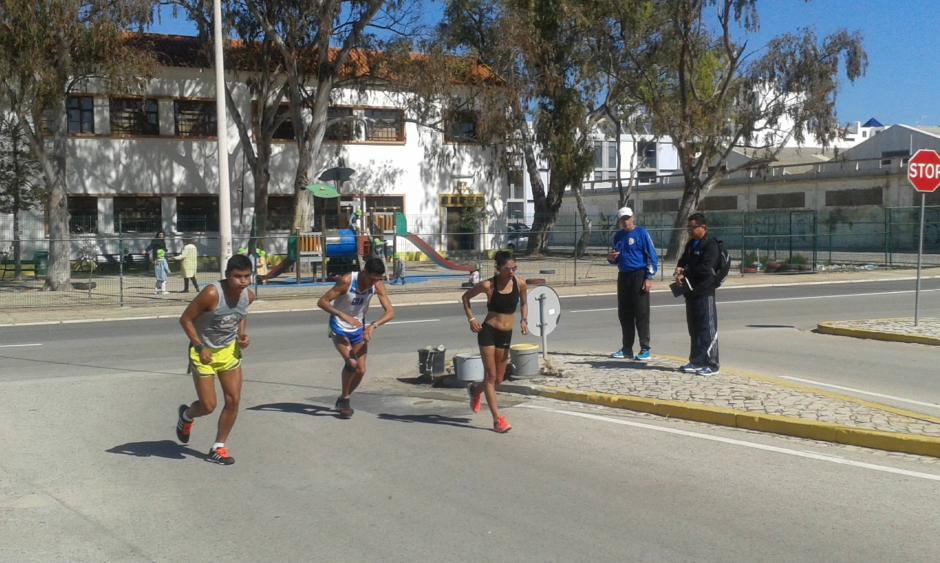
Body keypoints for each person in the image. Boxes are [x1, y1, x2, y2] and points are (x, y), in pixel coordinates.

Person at [175, 254, 256, 465]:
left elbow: (241, 314)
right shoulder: (212, 294)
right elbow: (185, 319)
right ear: (227, 275)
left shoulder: (249, 295)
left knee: (233, 400)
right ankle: (187, 415)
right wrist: (199, 346)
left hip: (229, 352)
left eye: (247, 276)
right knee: (208, 405)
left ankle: (218, 447)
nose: (243, 281)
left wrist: (242, 335)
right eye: (238, 276)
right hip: (204, 353)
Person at [317, 257, 395, 418]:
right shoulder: (347, 281)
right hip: (339, 326)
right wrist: (342, 315)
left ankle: (343, 397)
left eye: (377, 279)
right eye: (372, 278)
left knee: (361, 369)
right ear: (364, 272)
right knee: (352, 364)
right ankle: (345, 400)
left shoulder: (377, 285)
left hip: (358, 327)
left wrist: (373, 326)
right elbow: (322, 302)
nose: (373, 283)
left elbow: (390, 312)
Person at [461, 250, 528, 433]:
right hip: (488, 332)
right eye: (508, 269)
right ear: (498, 268)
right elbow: (466, 298)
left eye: (514, 268)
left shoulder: (520, 283)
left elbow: (524, 303)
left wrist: (524, 320)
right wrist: (471, 319)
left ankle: (476, 390)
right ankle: (497, 420)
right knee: (490, 376)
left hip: (506, 335)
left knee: (498, 379)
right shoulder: (488, 285)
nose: (512, 272)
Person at [607, 206, 659, 361]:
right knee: (624, 313)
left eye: (627, 218)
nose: (625, 222)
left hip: (639, 275)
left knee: (641, 313)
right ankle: (626, 348)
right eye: (622, 219)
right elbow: (616, 257)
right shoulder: (618, 236)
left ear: (633, 218)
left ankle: (645, 348)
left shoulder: (642, 233)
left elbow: (652, 256)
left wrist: (649, 277)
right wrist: (611, 258)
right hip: (624, 276)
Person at [674, 212, 720, 376]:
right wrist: (680, 268)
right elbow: (683, 260)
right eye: (688, 227)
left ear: (703, 227)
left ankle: (712, 363)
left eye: (693, 227)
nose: (690, 230)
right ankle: (696, 360)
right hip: (690, 291)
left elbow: (706, 268)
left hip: (705, 291)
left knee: (707, 328)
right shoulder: (691, 243)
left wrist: (686, 272)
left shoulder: (710, 244)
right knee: (694, 328)